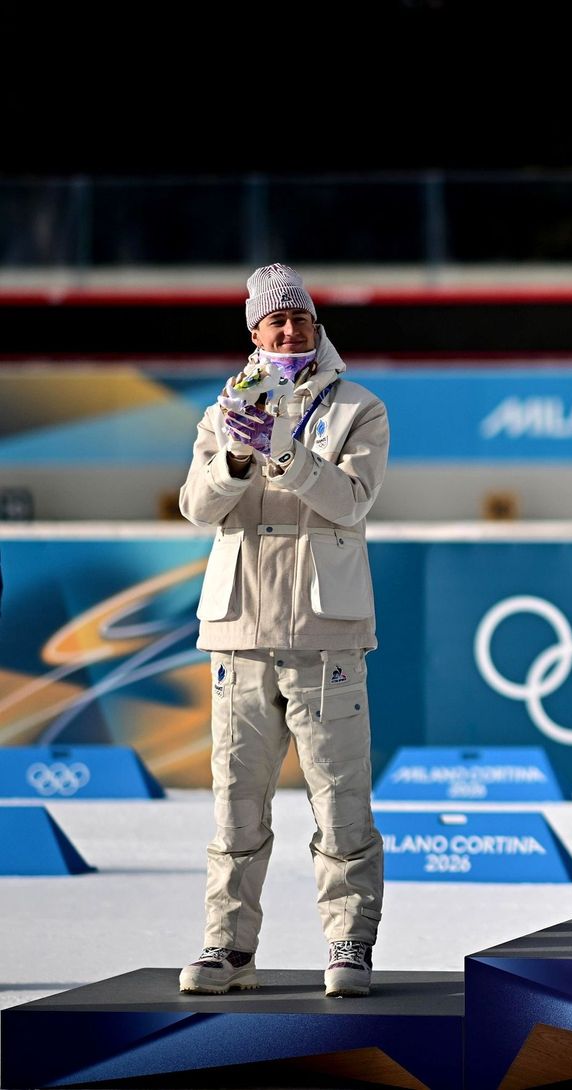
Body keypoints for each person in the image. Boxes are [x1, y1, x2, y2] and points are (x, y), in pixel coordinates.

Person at [177, 264, 389, 997]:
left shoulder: (359, 406)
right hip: (239, 633)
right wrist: (236, 455)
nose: (289, 331)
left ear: (316, 326)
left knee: (340, 802)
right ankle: (226, 948)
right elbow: (198, 508)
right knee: (236, 806)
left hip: (326, 634)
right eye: (275, 322)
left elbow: (351, 502)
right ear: (254, 333)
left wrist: (284, 453)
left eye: (299, 318)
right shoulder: (222, 409)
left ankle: (348, 943)